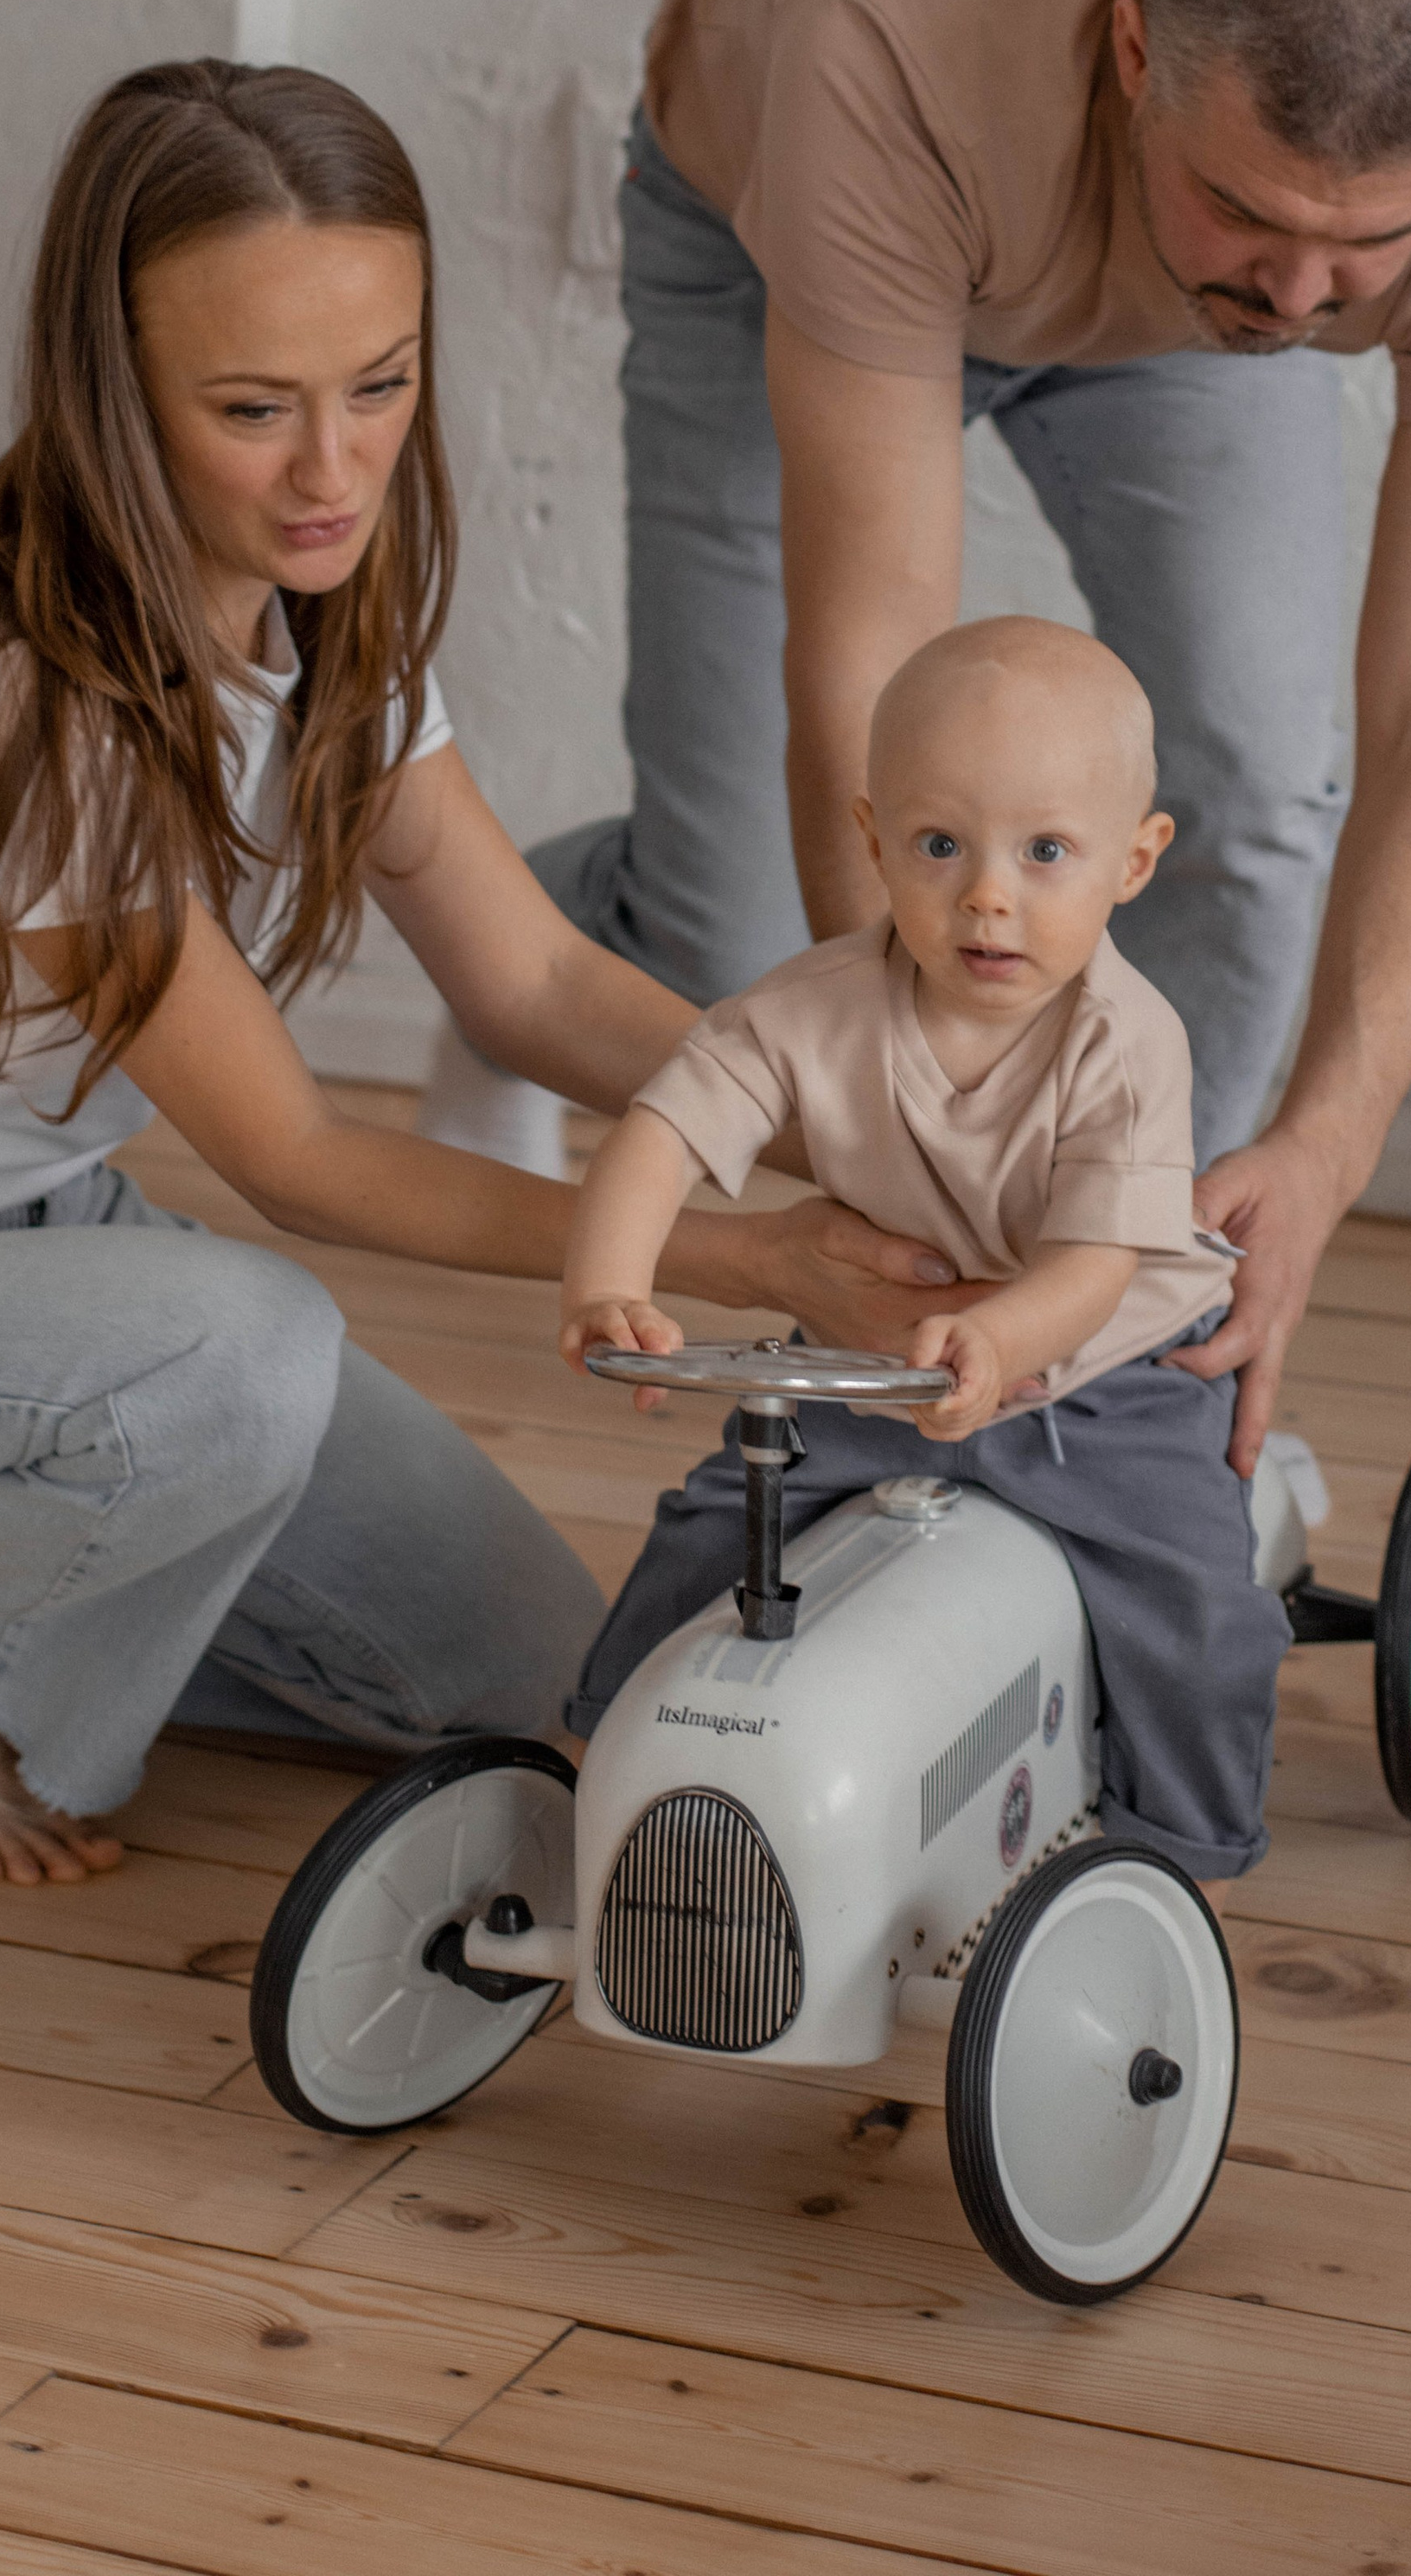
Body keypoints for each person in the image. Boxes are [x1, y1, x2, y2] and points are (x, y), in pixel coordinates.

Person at [0, 61, 969, 1889]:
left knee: (553, 1678)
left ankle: (8, 1547)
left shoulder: (321, 618)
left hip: (27, 1261)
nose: (332, 470)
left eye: (377, 386)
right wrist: (744, 1256)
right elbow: (297, 1158)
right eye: (250, 408)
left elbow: (532, 985)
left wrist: (868, 1131)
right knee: (249, 1348)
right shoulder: (24, 694)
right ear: (112, 394)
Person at [450, 0, 1411, 1473]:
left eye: (1365, 245)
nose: (1302, 299)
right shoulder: (894, 49)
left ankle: (1151, 1358)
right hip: (790, 193)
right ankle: (523, 941)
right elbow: (872, 659)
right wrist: (905, 1191)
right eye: (1253, 213)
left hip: (1152, 321)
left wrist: (1317, 1150)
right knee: (728, 949)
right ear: (1139, 58)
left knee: (1244, 770)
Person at [559, 616, 1288, 1882]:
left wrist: (1003, 1337)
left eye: (1046, 851)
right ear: (872, 838)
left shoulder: (1128, 1040)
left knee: (1203, 1612)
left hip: (1105, 1382)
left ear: (1135, 859)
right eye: (940, 844)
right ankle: (603, 1770)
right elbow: (665, 1129)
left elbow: (1098, 1269)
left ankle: (1179, 1858)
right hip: (877, 1363)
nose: (987, 896)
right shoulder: (808, 1008)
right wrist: (611, 1281)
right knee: (711, 1528)